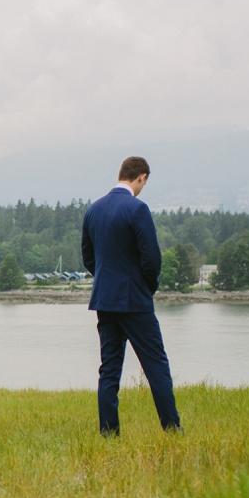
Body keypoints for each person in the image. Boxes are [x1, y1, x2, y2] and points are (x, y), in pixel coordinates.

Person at [80, 156, 182, 437]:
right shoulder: (137, 209)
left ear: (120, 174)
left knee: (109, 369)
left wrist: (108, 281)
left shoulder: (93, 210)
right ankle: (172, 429)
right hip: (135, 301)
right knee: (156, 366)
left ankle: (109, 434)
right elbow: (152, 259)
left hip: (104, 300)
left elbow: (89, 259)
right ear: (142, 178)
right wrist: (146, 287)